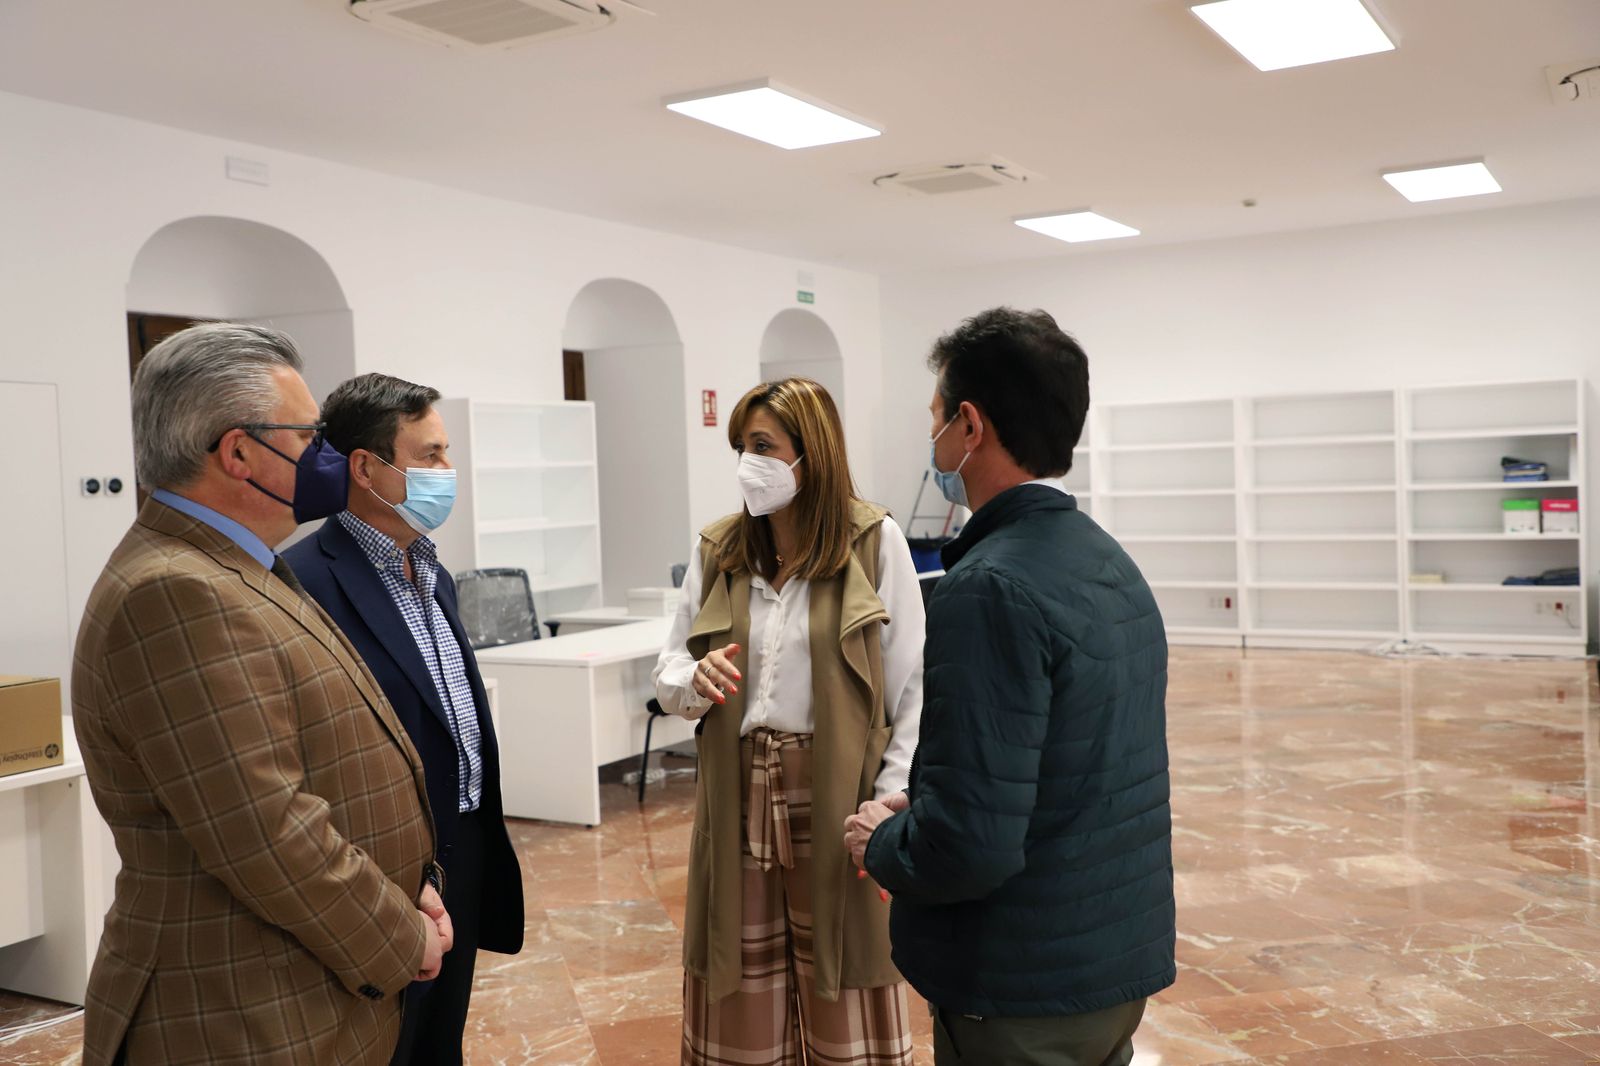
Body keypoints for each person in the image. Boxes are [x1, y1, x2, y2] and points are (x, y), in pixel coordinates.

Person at [72, 324, 451, 1066]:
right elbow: (268, 830)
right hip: (240, 1013)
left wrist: (417, 884)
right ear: (239, 451)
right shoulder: (176, 592)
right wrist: (401, 935)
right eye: (309, 435)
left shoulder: (236, 565)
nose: (328, 456)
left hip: (301, 989)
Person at [846, 308, 1175, 1066]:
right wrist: (930, 802)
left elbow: (971, 850)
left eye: (935, 417)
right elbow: (1052, 766)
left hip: (1020, 981)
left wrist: (886, 841)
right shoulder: (1106, 561)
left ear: (969, 426)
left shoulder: (986, 588)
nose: (931, 439)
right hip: (1112, 956)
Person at [653, 377, 925, 1066]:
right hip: (737, 792)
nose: (749, 463)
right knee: (738, 984)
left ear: (813, 452)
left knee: (846, 975)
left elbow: (914, 687)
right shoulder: (720, 550)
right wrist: (694, 680)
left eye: (764, 446)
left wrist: (888, 803)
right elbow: (667, 678)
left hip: (841, 794)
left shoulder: (874, 542)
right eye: (742, 446)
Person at [283, 372, 525, 1066]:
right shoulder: (305, 580)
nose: (447, 473)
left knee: (441, 1041)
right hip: (387, 861)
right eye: (430, 456)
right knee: (388, 1042)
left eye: (446, 453)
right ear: (365, 467)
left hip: (465, 842)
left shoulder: (434, 571)